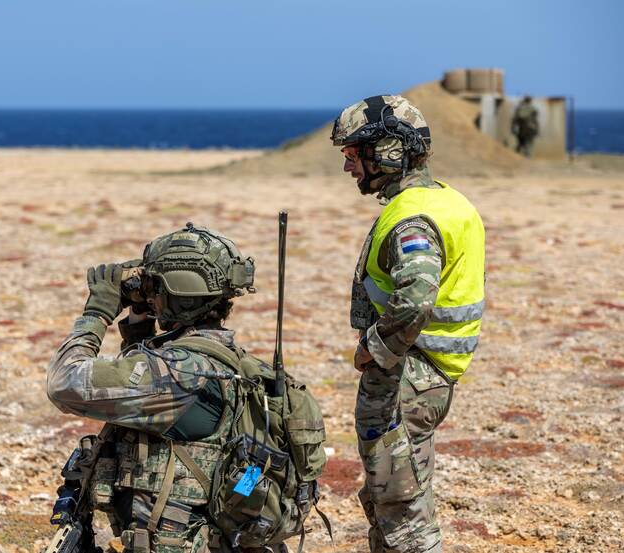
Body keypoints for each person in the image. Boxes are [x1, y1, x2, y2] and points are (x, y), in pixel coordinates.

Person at [45, 223, 325, 553]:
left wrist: (97, 312)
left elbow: (64, 383)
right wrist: (140, 316)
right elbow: (143, 382)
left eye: (155, 287)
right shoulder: (226, 365)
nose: (148, 293)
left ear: (176, 293)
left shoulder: (179, 374)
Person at [330, 95, 485, 553]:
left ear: (390, 151)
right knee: (391, 496)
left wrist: (373, 349)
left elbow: (415, 300)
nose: (348, 168)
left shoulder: (410, 219)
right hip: (432, 377)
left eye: (353, 156)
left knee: (403, 515)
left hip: (407, 382)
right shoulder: (450, 201)